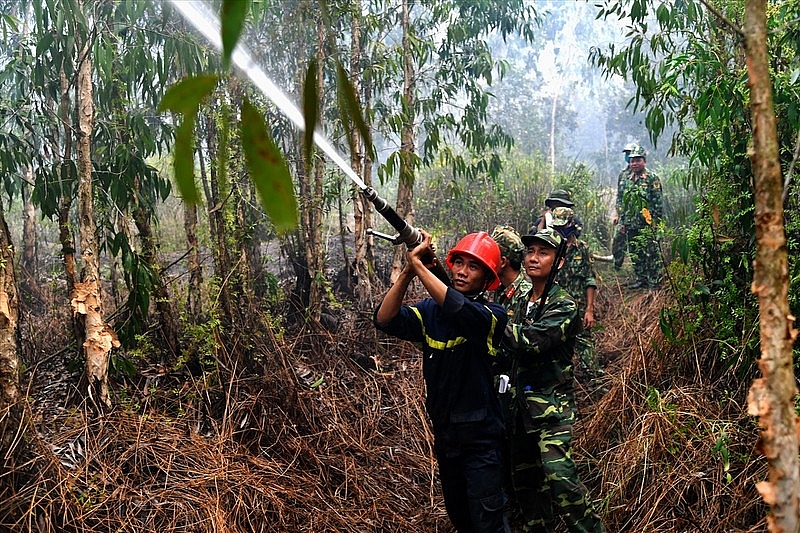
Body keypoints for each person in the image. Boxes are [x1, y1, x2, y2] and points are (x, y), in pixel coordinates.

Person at [374, 230, 510, 533]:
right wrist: (409, 272)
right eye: (458, 262)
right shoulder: (430, 312)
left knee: (488, 520)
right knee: (461, 517)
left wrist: (421, 267)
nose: (462, 271)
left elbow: (459, 309)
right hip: (447, 436)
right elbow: (384, 320)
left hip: (482, 441)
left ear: (487, 277)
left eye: (473, 266)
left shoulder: (492, 316)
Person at [502, 228, 606, 533]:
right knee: (527, 485)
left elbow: (529, 341)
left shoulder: (564, 306)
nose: (534, 258)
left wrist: (487, 321)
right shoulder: (519, 299)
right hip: (518, 410)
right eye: (530, 251)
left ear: (558, 262)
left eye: (543, 252)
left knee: (561, 481)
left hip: (551, 411)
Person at [550, 207, 602, 379]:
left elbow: (589, 279)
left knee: (585, 344)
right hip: (555, 306)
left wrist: (589, 309)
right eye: (556, 227)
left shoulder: (582, 249)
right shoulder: (551, 248)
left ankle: (594, 382)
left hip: (578, 306)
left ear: (571, 224)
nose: (559, 231)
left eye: (562, 226)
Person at [613, 145, 663, 289]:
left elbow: (657, 203)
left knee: (651, 253)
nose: (634, 163)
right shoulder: (625, 178)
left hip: (646, 224)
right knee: (635, 251)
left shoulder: (652, 178)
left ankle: (654, 282)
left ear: (644, 161)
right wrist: (621, 220)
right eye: (632, 160)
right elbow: (620, 199)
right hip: (629, 223)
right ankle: (642, 279)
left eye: (637, 160)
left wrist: (655, 223)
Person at [612, 143, 639, 270]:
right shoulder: (623, 174)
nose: (628, 156)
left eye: (630, 153)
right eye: (626, 154)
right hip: (624, 216)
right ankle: (617, 265)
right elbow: (620, 196)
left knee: (637, 243)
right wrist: (617, 214)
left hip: (639, 218)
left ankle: (640, 271)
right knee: (618, 239)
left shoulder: (642, 174)